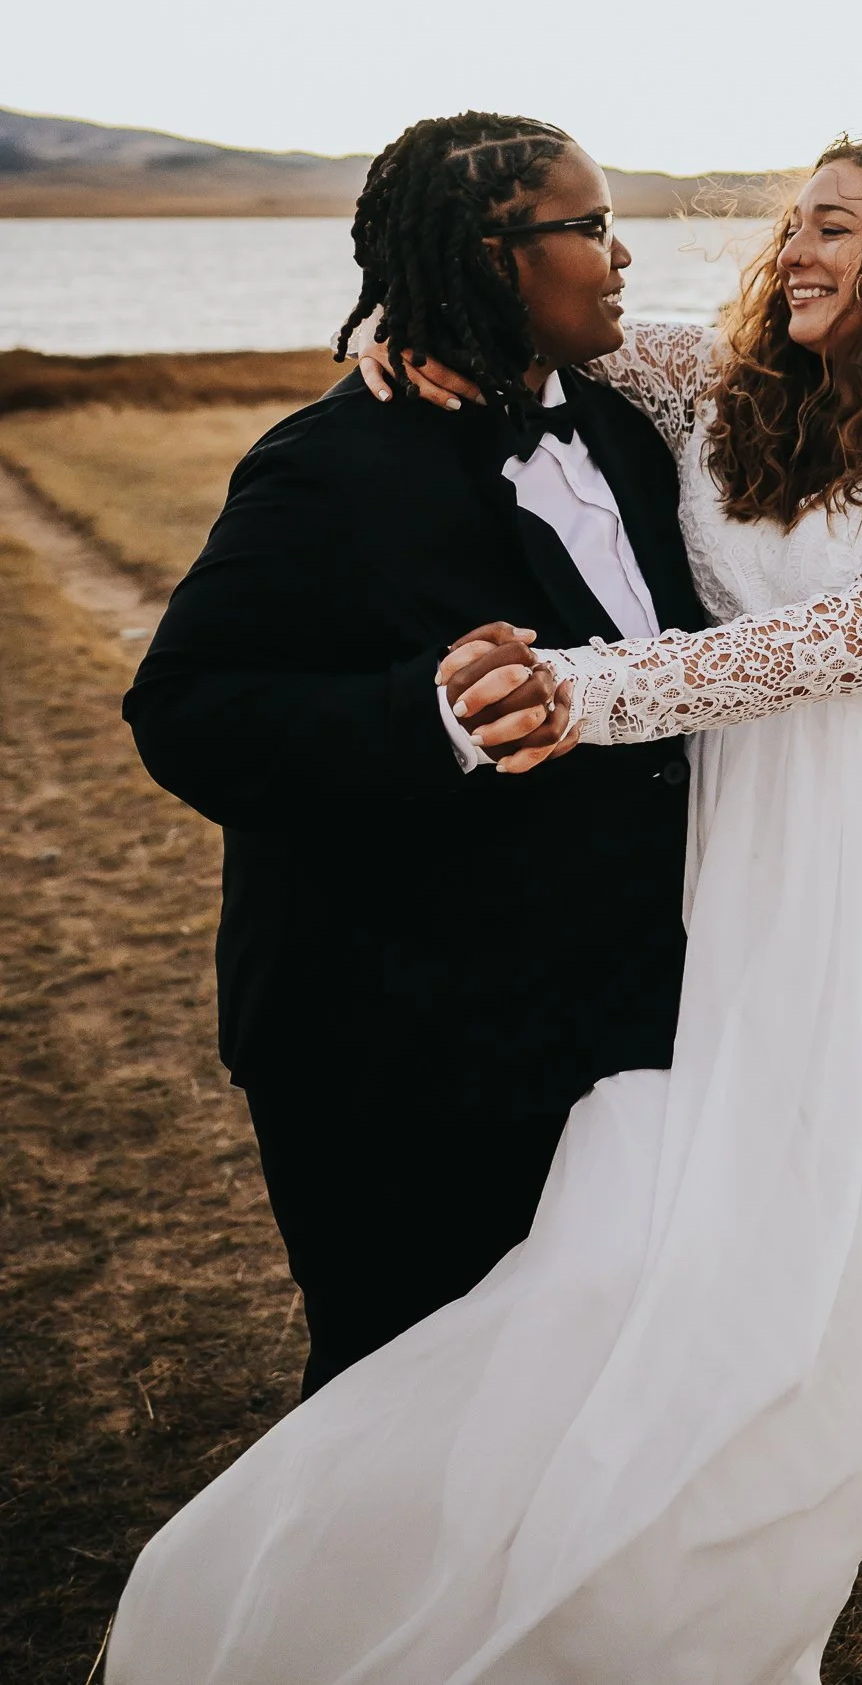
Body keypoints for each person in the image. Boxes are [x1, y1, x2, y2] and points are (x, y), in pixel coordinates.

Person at [110, 132, 862, 1685]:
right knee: (432, 1353)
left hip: (829, 893)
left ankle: (646, 1579)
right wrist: (385, 349)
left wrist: (581, 688)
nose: (789, 251)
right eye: (794, 223)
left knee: (742, 1267)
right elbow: (192, 707)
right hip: (431, 1008)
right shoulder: (415, 446)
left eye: (839, 227)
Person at [121, 113, 707, 1393]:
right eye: (593, 225)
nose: (623, 256)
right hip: (393, 1046)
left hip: (607, 1010)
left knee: (577, 1376)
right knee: (402, 1385)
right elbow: (183, 707)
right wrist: (429, 719)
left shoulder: (624, 434)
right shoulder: (327, 467)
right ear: (497, 256)